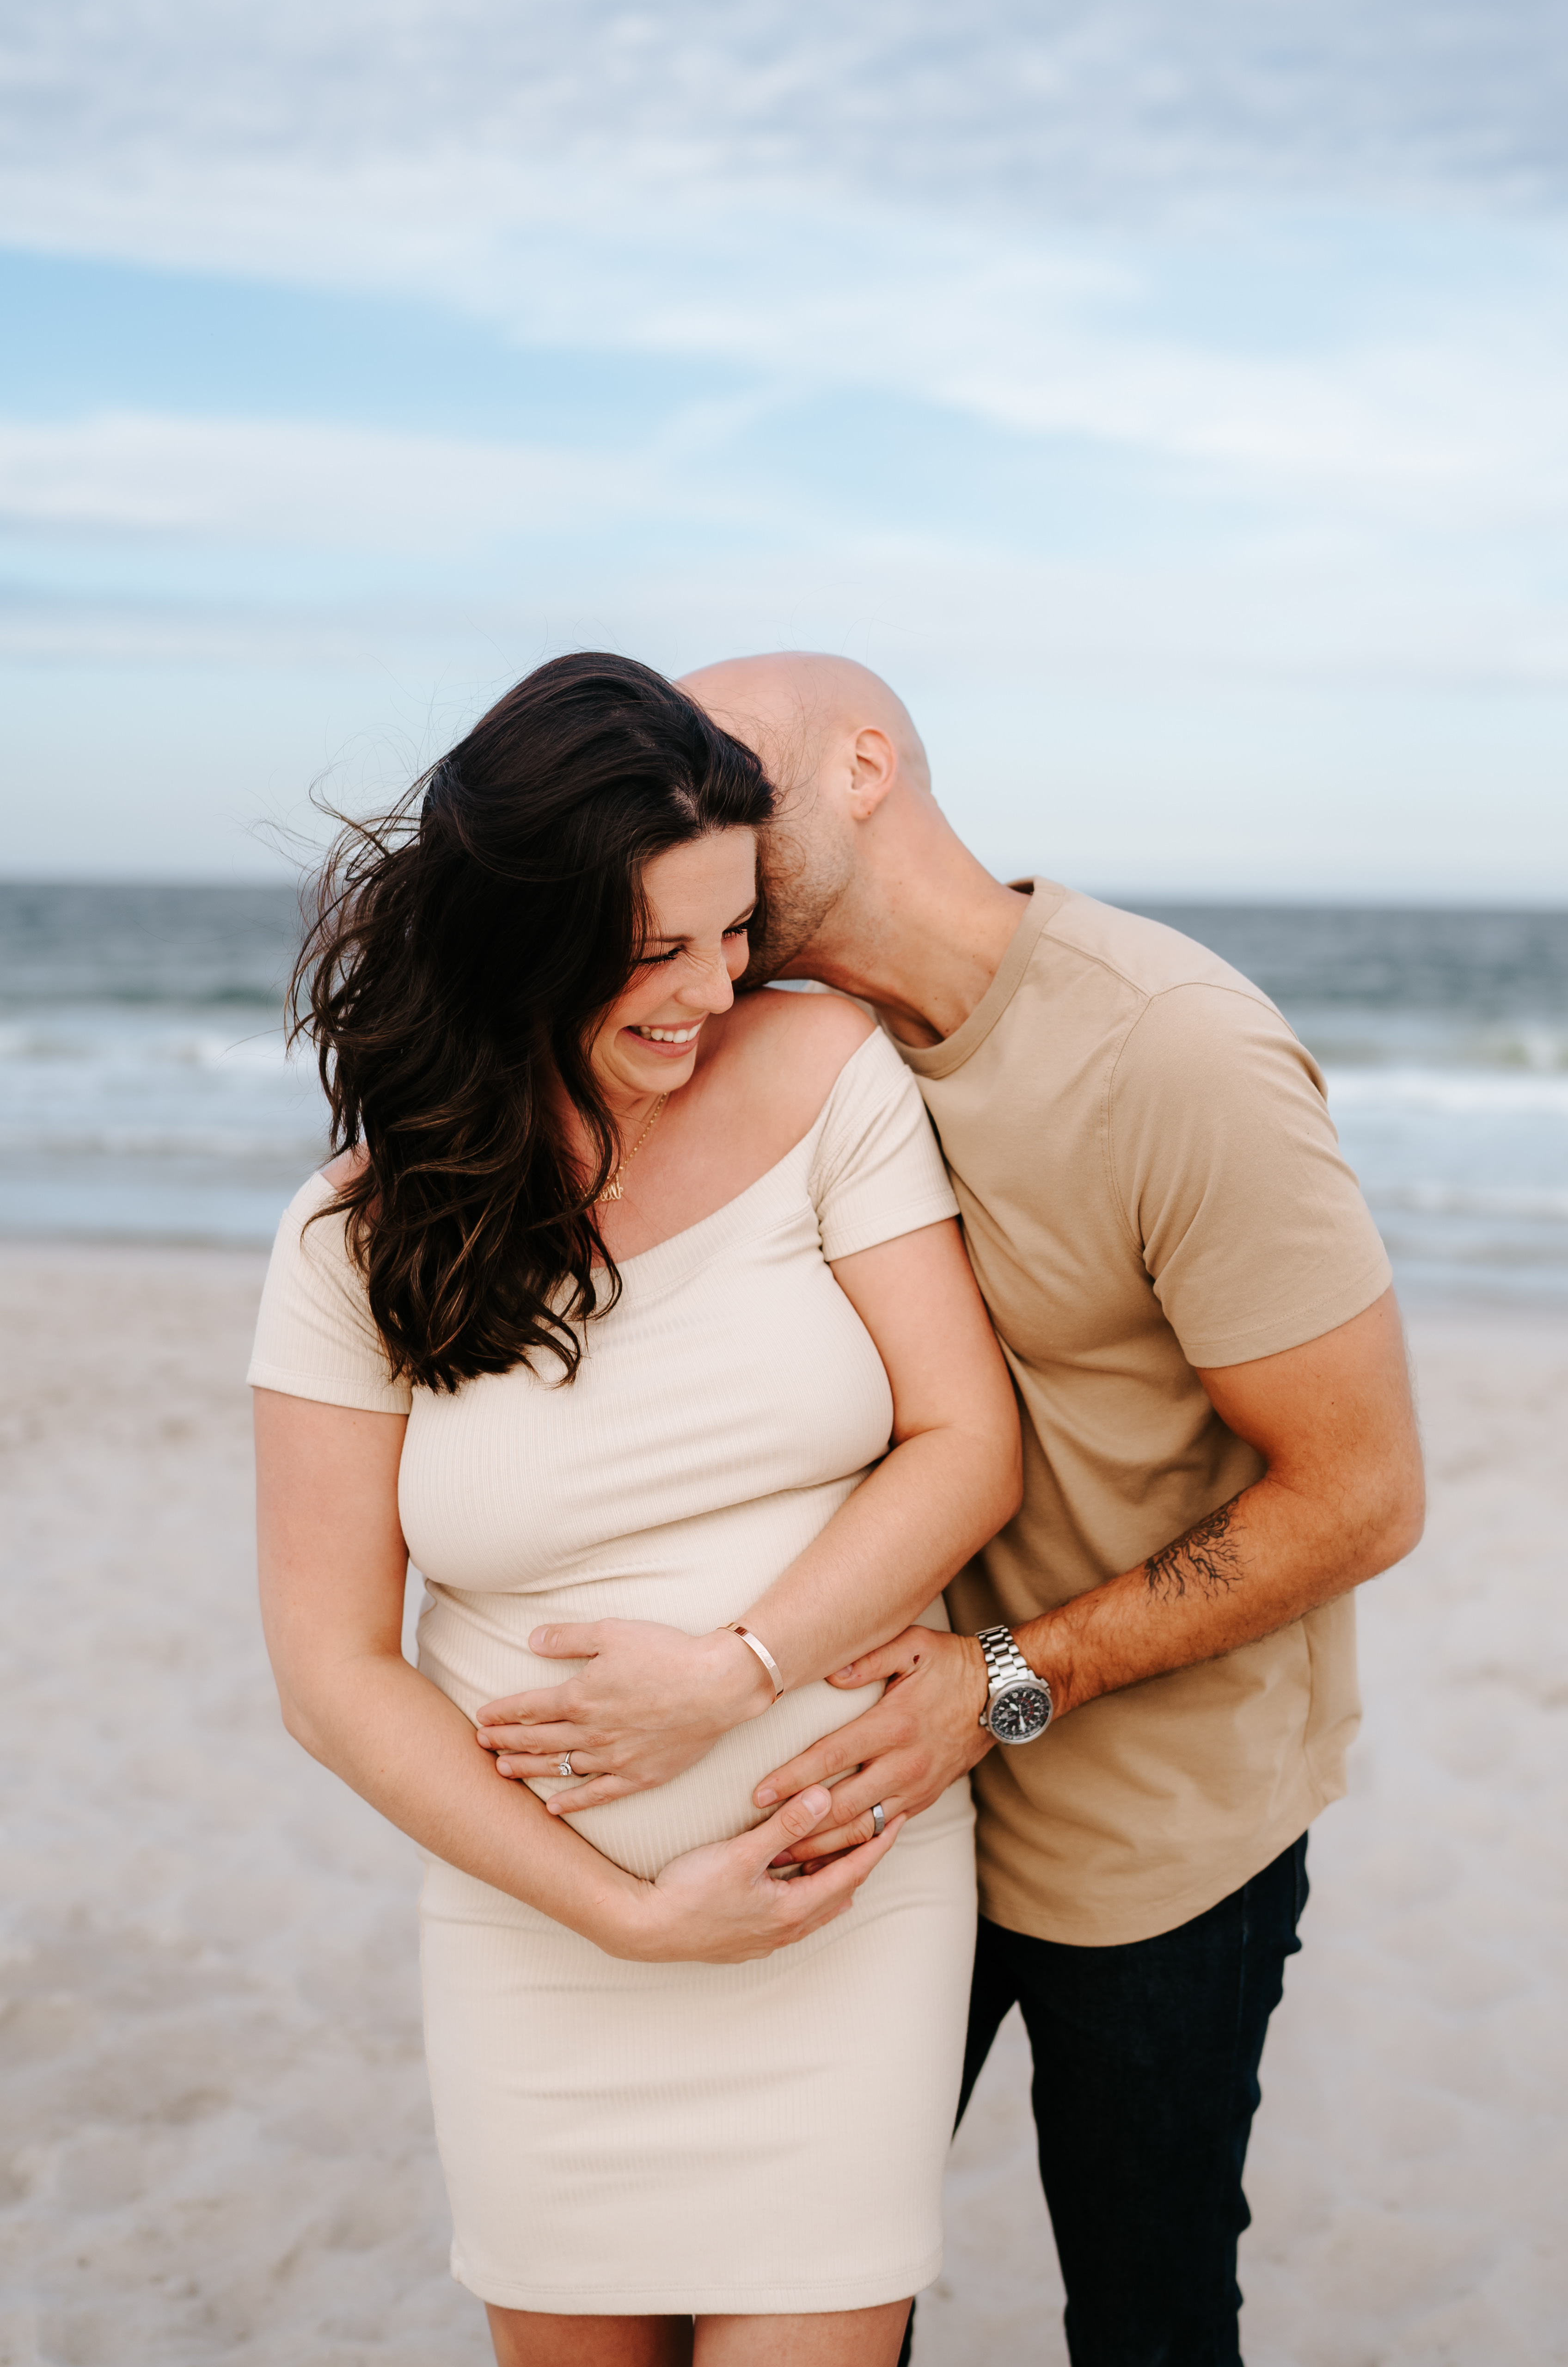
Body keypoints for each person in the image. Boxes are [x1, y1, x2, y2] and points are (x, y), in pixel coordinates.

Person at [510, 652, 1425, 2367]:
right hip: (850, 1807)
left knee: (1146, 2310)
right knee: (790, 2289)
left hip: (1149, 1827)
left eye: (730, 768)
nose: (686, 807)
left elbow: (1364, 1496)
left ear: (867, 766)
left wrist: (1002, 1684)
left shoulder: (1175, 1052)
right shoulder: (747, 1046)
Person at [249, 653, 1022, 2367]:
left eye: (733, 932)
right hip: (542, 1939)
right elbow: (328, 1672)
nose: (710, 990)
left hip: (842, 1903)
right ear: (522, 931)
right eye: (654, 948)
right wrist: (624, 1914)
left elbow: (969, 1443)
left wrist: (739, 1670)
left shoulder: (827, 1073)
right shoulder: (355, 1238)